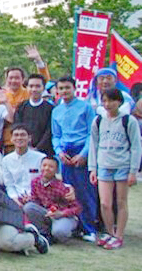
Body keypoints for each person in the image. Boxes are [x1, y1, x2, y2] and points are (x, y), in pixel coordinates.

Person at [88, 88, 142, 250]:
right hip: (104, 165)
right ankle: (110, 232)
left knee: (121, 202)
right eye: (104, 100)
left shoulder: (128, 121)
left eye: (111, 100)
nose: (107, 104)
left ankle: (119, 235)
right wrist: (93, 168)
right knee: (105, 203)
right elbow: (93, 145)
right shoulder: (98, 121)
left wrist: (133, 170)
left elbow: (136, 146)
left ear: (119, 102)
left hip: (123, 166)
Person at [51, 76, 98, 241]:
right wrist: (59, 152)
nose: (64, 91)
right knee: (68, 192)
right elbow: (56, 135)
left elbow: (91, 133)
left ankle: (90, 228)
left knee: (85, 191)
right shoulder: (56, 110)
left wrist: (84, 154)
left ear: (74, 88)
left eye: (67, 88)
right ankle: (74, 226)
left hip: (82, 152)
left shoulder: (85, 107)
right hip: (65, 154)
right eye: (61, 88)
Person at [23, 156, 82, 244]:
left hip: (63, 215)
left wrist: (62, 213)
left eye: (51, 167)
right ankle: (44, 233)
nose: (46, 168)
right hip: (47, 213)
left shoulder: (62, 187)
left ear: (56, 170)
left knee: (60, 233)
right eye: (44, 165)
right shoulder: (35, 182)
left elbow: (77, 208)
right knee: (28, 207)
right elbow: (36, 200)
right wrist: (28, 199)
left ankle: (69, 232)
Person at [1, 124, 45, 203]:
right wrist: (15, 199)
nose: (19, 138)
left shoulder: (41, 158)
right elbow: (9, 185)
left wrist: (32, 197)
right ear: (11, 139)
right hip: (15, 199)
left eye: (23, 135)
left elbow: (45, 180)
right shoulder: (6, 160)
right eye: (16, 135)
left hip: (37, 198)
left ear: (29, 138)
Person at [14, 74, 54, 156]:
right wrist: (26, 146)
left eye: (38, 86)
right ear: (27, 88)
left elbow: (49, 131)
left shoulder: (50, 108)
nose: (34, 89)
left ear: (43, 88)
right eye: (31, 86)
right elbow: (17, 127)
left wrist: (38, 148)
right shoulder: (21, 107)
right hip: (24, 150)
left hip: (45, 152)